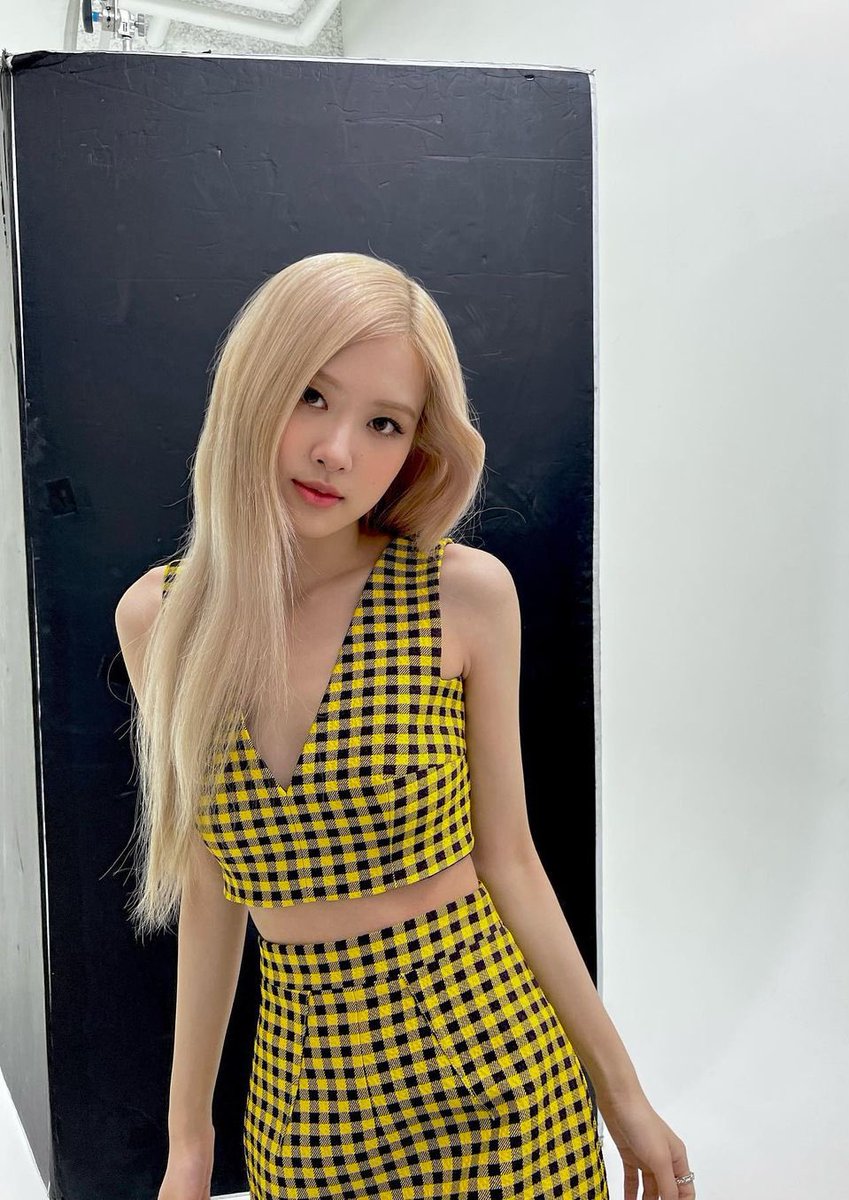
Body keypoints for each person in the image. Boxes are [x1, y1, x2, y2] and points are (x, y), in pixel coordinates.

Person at [114, 250, 695, 1200]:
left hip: (494, 1064)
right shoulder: (161, 621)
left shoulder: (459, 595)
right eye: (311, 395)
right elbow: (212, 890)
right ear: (252, 385)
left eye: (383, 422)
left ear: (417, 447)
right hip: (305, 1099)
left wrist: (622, 1093)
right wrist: (189, 1144)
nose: (337, 451)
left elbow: (511, 860)